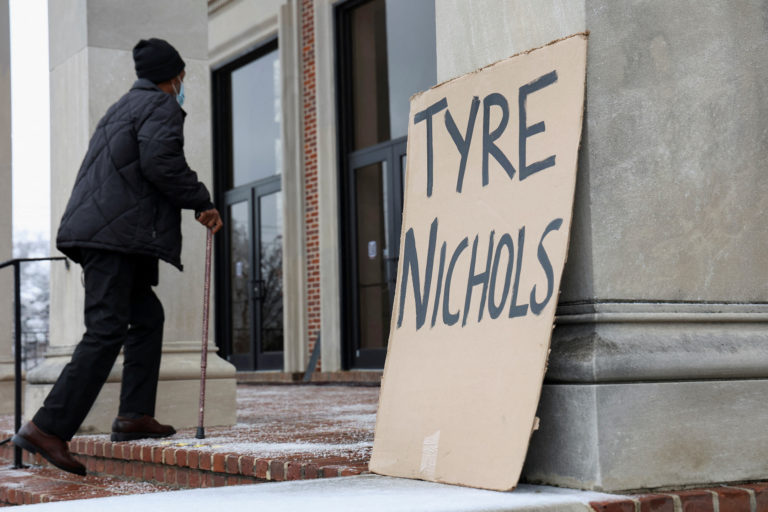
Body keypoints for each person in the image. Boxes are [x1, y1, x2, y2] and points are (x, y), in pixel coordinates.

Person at [12, 38, 222, 476]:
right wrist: (201, 201)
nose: (183, 81)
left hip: (110, 234)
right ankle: (46, 427)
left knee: (146, 317)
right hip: (114, 238)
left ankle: (134, 416)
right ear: (172, 76)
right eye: (182, 74)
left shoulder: (123, 106)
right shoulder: (160, 106)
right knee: (106, 329)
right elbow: (161, 162)